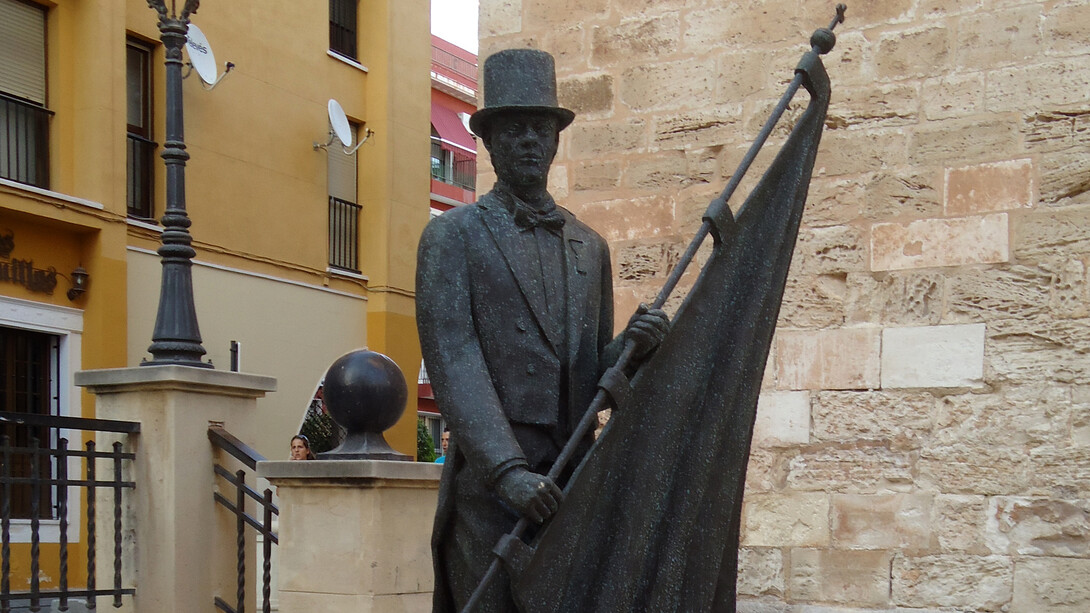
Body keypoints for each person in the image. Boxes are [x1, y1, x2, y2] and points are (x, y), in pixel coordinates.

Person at [416, 48, 669, 613]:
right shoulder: (452, 238)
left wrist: (629, 350)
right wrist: (506, 473)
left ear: (556, 141)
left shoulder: (590, 247)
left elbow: (588, 370)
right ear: (488, 141)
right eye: (514, 130)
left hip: (572, 475)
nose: (529, 140)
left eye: (540, 129)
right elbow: (455, 360)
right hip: (491, 488)